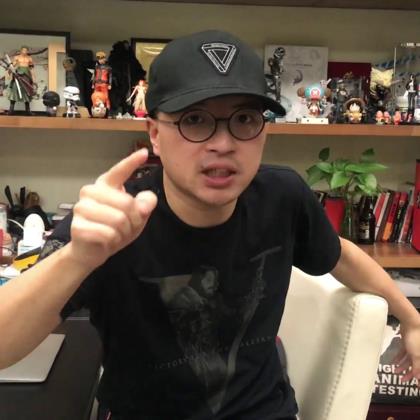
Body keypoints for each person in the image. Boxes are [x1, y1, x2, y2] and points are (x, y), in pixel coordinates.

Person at [0, 30, 420, 420]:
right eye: (195, 120)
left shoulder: (282, 197)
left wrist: (412, 320)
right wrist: (78, 258)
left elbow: (341, 256)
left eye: (244, 120)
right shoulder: (113, 220)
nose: (223, 144)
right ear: (155, 134)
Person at [6, 46, 37, 115]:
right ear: (21, 51)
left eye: (26, 50)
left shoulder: (29, 58)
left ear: (27, 51)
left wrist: (33, 78)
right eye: (23, 50)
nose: (24, 51)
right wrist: (9, 72)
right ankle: (11, 110)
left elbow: (31, 69)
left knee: (27, 91)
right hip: (18, 75)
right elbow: (12, 66)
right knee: (15, 90)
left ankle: (28, 111)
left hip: (26, 76)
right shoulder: (17, 57)